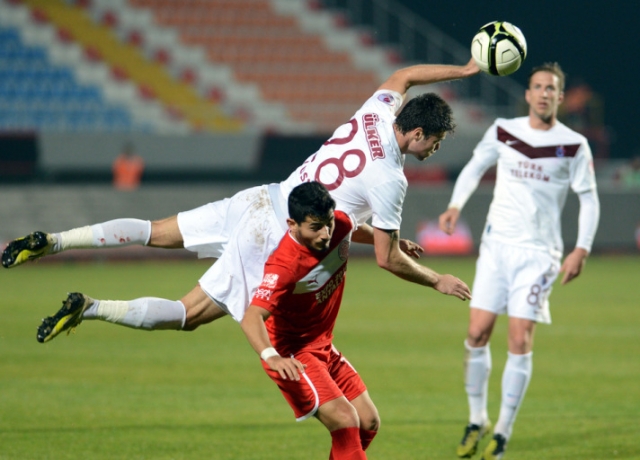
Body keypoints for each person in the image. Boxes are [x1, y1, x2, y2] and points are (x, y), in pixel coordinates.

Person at [2, 58, 478, 343]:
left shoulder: (376, 113)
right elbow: (387, 260)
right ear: (416, 132)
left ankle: (58, 241)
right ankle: (90, 307)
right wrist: (437, 279)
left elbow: (405, 74)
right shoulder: (392, 177)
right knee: (188, 314)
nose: (433, 150)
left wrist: (464, 70)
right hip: (275, 236)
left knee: (154, 231)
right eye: (433, 141)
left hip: (262, 197)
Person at [438, 62, 600, 460]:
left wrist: (582, 248)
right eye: (538, 86)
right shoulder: (504, 130)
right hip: (497, 246)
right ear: (527, 94)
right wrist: (455, 205)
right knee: (476, 333)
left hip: (539, 254)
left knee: (519, 338)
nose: (544, 93)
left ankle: (504, 431)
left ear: (560, 98)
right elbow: (475, 167)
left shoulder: (574, 144)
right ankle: (477, 420)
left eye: (551, 88)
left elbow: (589, 198)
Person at [241, 181, 378, 459]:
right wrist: (272, 357)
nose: (326, 234)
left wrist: (389, 242)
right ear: (293, 224)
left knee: (368, 422)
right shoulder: (284, 265)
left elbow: (351, 227)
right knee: (345, 419)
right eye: (315, 227)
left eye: (328, 223)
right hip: (292, 354)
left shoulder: (335, 224)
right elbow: (252, 316)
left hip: (324, 346)